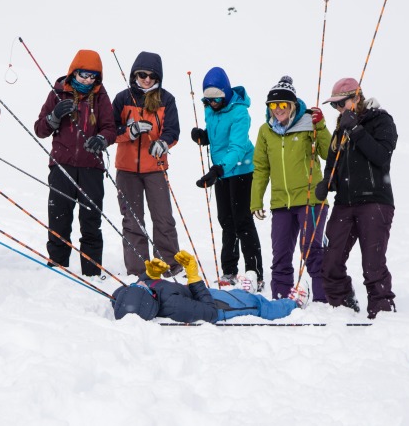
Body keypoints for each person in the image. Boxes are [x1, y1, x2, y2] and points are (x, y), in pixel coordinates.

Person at [314, 77, 399, 319]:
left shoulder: (381, 120)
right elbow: (332, 163)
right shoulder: (341, 128)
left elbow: (381, 156)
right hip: (344, 203)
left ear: (357, 97)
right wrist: (326, 183)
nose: (338, 110)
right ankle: (343, 307)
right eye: (335, 106)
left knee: (373, 264)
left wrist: (357, 130)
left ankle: (382, 311)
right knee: (330, 262)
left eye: (342, 104)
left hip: (375, 201)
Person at [33, 50, 117, 280]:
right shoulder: (58, 94)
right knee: (59, 216)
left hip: (92, 167)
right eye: (84, 75)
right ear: (73, 72)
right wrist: (54, 117)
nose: (88, 81)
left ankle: (91, 272)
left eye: (93, 77)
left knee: (91, 220)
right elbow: (40, 129)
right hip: (62, 165)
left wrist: (101, 139)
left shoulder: (101, 97)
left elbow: (110, 128)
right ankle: (58, 267)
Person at [250, 75, 330, 302]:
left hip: (310, 199)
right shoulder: (266, 131)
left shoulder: (309, 124)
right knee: (281, 255)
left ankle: (325, 300)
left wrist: (321, 126)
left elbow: (328, 154)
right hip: (281, 203)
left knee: (311, 251)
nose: (278, 109)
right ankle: (281, 299)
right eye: (273, 105)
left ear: (293, 105)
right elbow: (261, 168)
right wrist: (256, 200)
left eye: (283, 104)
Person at [189, 66, 261, 289]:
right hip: (220, 170)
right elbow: (219, 135)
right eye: (209, 99)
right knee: (226, 221)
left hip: (240, 170)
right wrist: (205, 136)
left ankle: (255, 273)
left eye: (217, 98)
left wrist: (218, 170)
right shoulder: (210, 109)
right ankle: (229, 271)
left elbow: (237, 146)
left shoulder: (240, 112)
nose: (213, 103)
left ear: (226, 92)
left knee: (242, 221)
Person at [111, 52, 181, 278]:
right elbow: (110, 130)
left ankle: (168, 263)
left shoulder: (166, 100)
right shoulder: (123, 98)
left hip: (155, 168)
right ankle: (138, 269)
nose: (147, 79)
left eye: (152, 76)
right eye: (142, 75)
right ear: (134, 74)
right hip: (127, 169)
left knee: (163, 217)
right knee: (132, 219)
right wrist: (129, 132)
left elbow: (173, 130)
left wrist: (163, 143)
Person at [111, 251, 302, 323]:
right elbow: (210, 312)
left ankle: (242, 292)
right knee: (256, 304)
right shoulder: (176, 306)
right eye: (141, 286)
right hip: (219, 307)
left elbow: (131, 293)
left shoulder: (144, 292)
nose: (140, 282)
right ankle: (293, 304)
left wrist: (150, 276)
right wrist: (193, 277)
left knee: (233, 294)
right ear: (149, 298)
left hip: (205, 294)